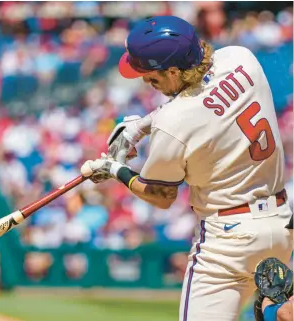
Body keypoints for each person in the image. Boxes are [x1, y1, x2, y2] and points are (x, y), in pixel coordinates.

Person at [80, 16, 293, 321]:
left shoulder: (173, 123)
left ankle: (277, 311)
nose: (145, 81)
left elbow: (161, 195)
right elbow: (205, 99)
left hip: (228, 241)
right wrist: (141, 125)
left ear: (173, 71)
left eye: (151, 75)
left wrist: (114, 169)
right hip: (280, 225)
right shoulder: (240, 58)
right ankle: (277, 311)